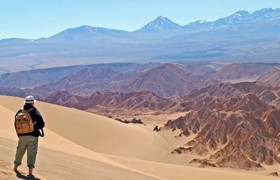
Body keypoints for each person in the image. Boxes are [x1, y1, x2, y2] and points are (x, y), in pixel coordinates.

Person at [13, 95, 45, 177]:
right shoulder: (35, 112)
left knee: (19, 151)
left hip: (22, 136)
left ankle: (15, 167)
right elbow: (42, 124)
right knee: (31, 153)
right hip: (33, 137)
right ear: (32, 103)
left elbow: (15, 123)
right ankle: (30, 173)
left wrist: (19, 134)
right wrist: (35, 128)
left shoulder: (20, 111)